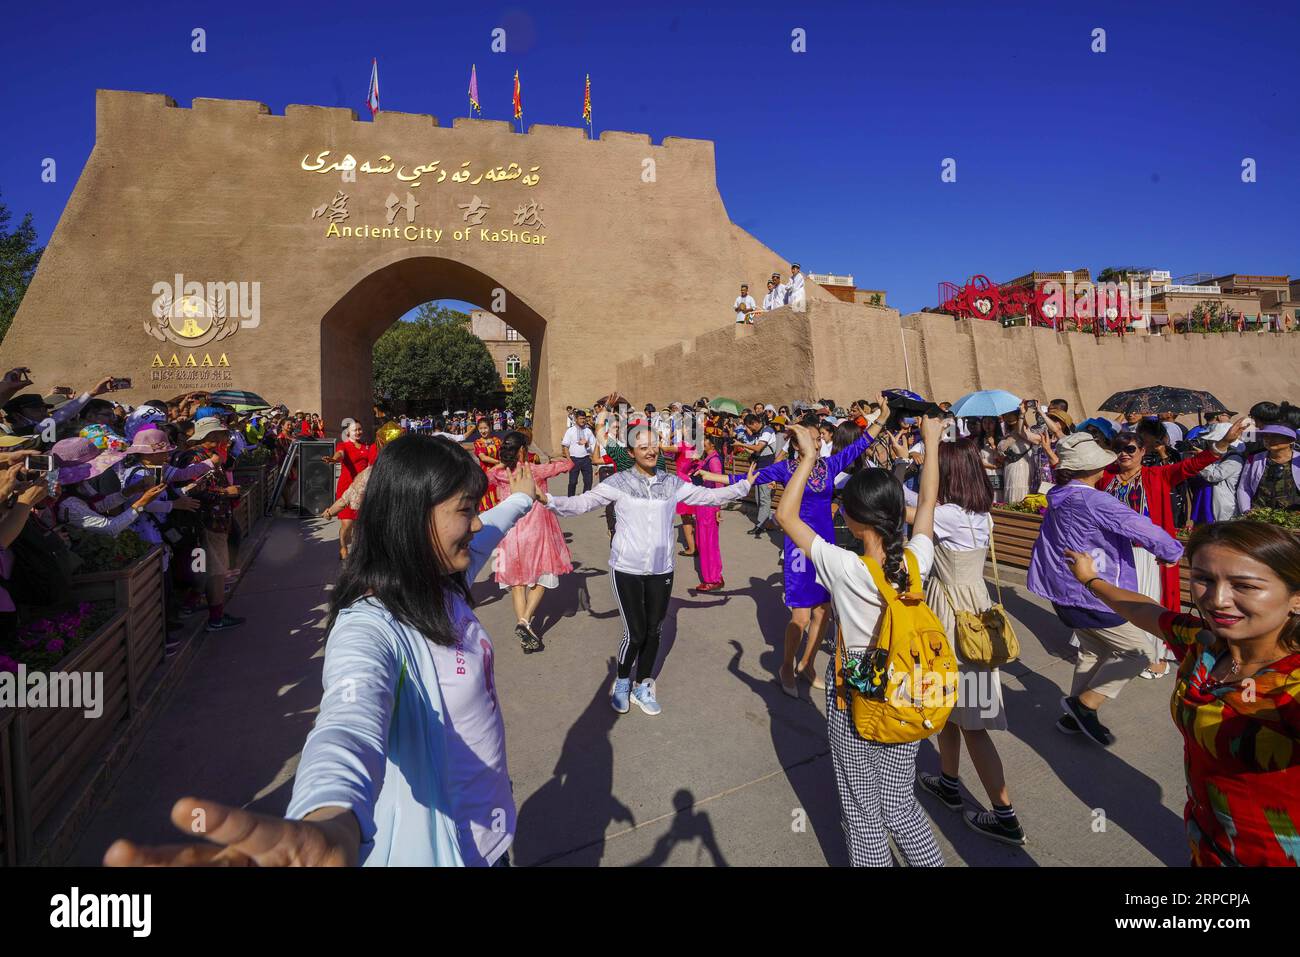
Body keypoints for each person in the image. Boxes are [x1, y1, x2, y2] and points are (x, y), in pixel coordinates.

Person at [105, 436, 543, 867]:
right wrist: (328, 824)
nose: (477, 524)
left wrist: (522, 499)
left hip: (493, 837)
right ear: (411, 518)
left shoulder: (442, 580)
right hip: (446, 851)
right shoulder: (371, 626)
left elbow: (494, 525)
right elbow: (347, 724)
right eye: (466, 511)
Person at [1063, 521, 1300, 866]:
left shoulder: (1290, 685)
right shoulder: (1202, 644)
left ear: (1296, 598)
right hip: (1204, 842)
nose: (1217, 601)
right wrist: (1090, 580)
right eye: (1204, 579)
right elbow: (1144, 610)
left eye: (1245, 586)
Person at [778, 416, 946, 867]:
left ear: (851, 520)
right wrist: (931, 442)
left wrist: (810, 457)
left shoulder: (845, 568)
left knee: (862, 813)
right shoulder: (915, 560)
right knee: (901, 804)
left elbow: (785, 515)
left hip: (862, 695)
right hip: (913, 688)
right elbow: (927, 501)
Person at [543, 424, 756, 716]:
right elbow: (584, 503)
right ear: (631, 452)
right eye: (643, 446)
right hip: (627, 568)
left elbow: (707, 497)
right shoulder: (618, 482)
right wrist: (549, 501)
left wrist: (743, 486)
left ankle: (642, 685)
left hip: (661, 569)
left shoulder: (671, 483)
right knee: (635, 632)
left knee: (654, 630)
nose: (651, 450)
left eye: (654, 444)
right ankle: (621, 681)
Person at [711, 404, 883, 695]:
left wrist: (884, 419)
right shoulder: (785, 469)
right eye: (813, 439)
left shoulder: (828, 467)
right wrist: (710, 481)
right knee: (801, 617)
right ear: (797, 445)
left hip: (825, 546)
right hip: (798, 550)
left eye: (818, 439)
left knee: (823, 612)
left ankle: (808, 664)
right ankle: (786, 665)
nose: (818, 443)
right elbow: (747, 481)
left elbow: (862, 444)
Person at [1026, 432, 1185, 746]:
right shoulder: (1093, 498)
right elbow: (1137, 525)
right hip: (1091, 592)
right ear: (1091, 469)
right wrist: (1172, 551)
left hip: (1063, 590)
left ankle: (1073, 718)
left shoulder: (1060, 493)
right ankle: (1084, 706)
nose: (1106, 467)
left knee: (1093, 651)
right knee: (1138, 653)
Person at [907, 439, 1024, 845]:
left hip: (948, 615)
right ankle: (949, 782)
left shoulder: (947, 516)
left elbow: (915, 508)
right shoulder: (981, 514)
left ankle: (1005, 814)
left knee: (970, 722)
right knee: (954, 713)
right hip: (975, 608)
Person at [1101, 421, 1245, 678]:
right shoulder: (1106, 477)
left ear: (1143, 451)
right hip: (1115, 553)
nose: (1124, 453)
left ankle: (1152, 657)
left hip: (1145, 554)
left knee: (1145, 604)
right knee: (1117, 603)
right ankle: (1121, 650)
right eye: (1119, 449)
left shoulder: (1157, 475)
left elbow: (1192, 465)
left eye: (1130, 449)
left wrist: (1223, 444)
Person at [488, 431, 574, 653]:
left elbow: (482, 481)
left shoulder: (498, 473)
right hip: (535, 530)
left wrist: (499, 465)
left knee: (517, 585)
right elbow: (568, 465)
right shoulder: (535, 471)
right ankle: (524, 621)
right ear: (523, 450)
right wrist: (560, 456)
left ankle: (525, 628)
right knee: (543, 578)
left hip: (509, 531)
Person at [321, 420, 376, 560]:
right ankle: (343, 546)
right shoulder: (343, 445)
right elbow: (340, 454)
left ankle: (359, 551)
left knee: (359, 523)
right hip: (346, 487)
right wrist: (333, 460)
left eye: (360, 429)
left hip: (362, 489)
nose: (358, 432)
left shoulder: (366, 447)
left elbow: (373, 463)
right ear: (347, 432)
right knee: (347, 523)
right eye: (355, 430)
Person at [1236, 422, 1300, 514]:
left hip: (1293, 518)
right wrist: (1246, 511)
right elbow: (1244, 488)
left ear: (1290, 440)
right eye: (1266, 435)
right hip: (1261, 517)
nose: (1268, 439)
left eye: (1275, 436)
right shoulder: (1254, 459)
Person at [691, 433, 727, 591]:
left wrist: (718, 508)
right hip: (702, 503)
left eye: (704, 440)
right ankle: (713, 575)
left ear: (712, 444)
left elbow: (719, 484)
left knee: (708, 543)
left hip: (709, 505)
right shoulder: (707, 458)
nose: (702, 443)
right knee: (702, 541)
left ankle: (713, 579)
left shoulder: (714, 460)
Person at [734, 412, 777, 536]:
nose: (748, 430)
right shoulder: (760, 434)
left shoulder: (767, 431)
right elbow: (755, 451)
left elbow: (758, 448)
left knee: (764, 498)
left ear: (754, 423)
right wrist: (741, 447)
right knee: (759, 498)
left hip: (767, 470)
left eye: (749, 426)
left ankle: (760, 525)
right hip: (760, 469)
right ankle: (768, 523)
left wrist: (741, 444)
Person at [561, 409, 596, 496]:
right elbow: (565, 446)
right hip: (574, 460)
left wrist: (587, 443)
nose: (583, 420)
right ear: (576, 419)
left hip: (586, 460)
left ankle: (585, 500)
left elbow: (594, 445)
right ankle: (570, 500)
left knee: (588, 482)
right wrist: (569, 460)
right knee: (573, 482)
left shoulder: (588, 431)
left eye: (584, 418)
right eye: (580, 418)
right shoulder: (570, 431)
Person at [471, 417, 502, 511]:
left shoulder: (497, 440)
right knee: (488, 502)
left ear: (490, 427)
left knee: (500, 500)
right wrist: (498, 462)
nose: (483, 431)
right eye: (480, 428)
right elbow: (483, 457)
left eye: (485, 428)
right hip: (487, 475)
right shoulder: (478, 443)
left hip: (499, 474)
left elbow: (502, 454)